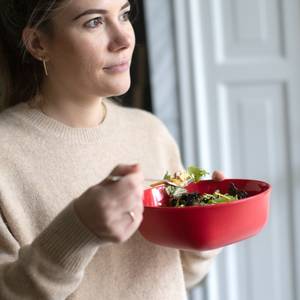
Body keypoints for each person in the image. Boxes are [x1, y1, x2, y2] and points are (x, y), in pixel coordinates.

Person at [0, 0, 223, 299]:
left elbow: (179, 276)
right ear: (39, 43)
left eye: (124, 15)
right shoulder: (7, 153)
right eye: (94, 22)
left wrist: (205, 231)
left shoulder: (151, 132)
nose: (124, 39)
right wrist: (79, 229)